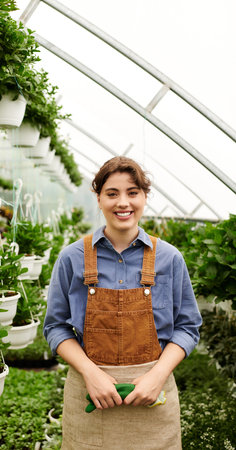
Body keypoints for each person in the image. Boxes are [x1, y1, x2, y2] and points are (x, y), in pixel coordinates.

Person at [43, 156, 202, 449]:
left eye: (132, 192)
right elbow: (55, 327)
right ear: (99, 198)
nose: (123, 203)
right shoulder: (71, 258)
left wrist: (156, 377)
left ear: (144, 197)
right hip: (91, 397)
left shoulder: (169, 258)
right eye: (112, 193)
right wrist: (92, 374)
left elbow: (188, 328)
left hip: (154, 396)